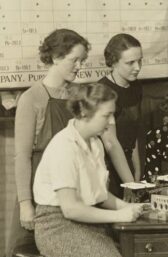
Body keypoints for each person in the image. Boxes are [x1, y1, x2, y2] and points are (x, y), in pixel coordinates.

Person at [33, 82, 146, 257]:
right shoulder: (64, 146)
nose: (110, 122)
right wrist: (119, 215)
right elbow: (71, 209)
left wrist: (130, 207)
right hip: (57, 226)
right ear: (85, 113)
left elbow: (100, 195)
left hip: (88, 221)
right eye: (106, 116)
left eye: (112, 115)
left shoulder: (95, 144)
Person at [10, 29, 90, 257]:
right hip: (40, 187)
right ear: (55, 57)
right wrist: (26, 204)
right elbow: (22, 156)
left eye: (82, 61)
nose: (79, 66)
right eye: (74, 60)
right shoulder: (30, 98)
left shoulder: (78, 95)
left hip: (73, 185)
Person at [98, 33, 143, 198]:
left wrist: (137, 172)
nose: (137, 67)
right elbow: (111, 143)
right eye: (130, 63)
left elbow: (134, 133)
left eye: (140, 60)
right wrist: (130, 183)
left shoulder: (136, 87)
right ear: (113, 62)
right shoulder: (103, 91)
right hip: (107, 167)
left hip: (128, 165)